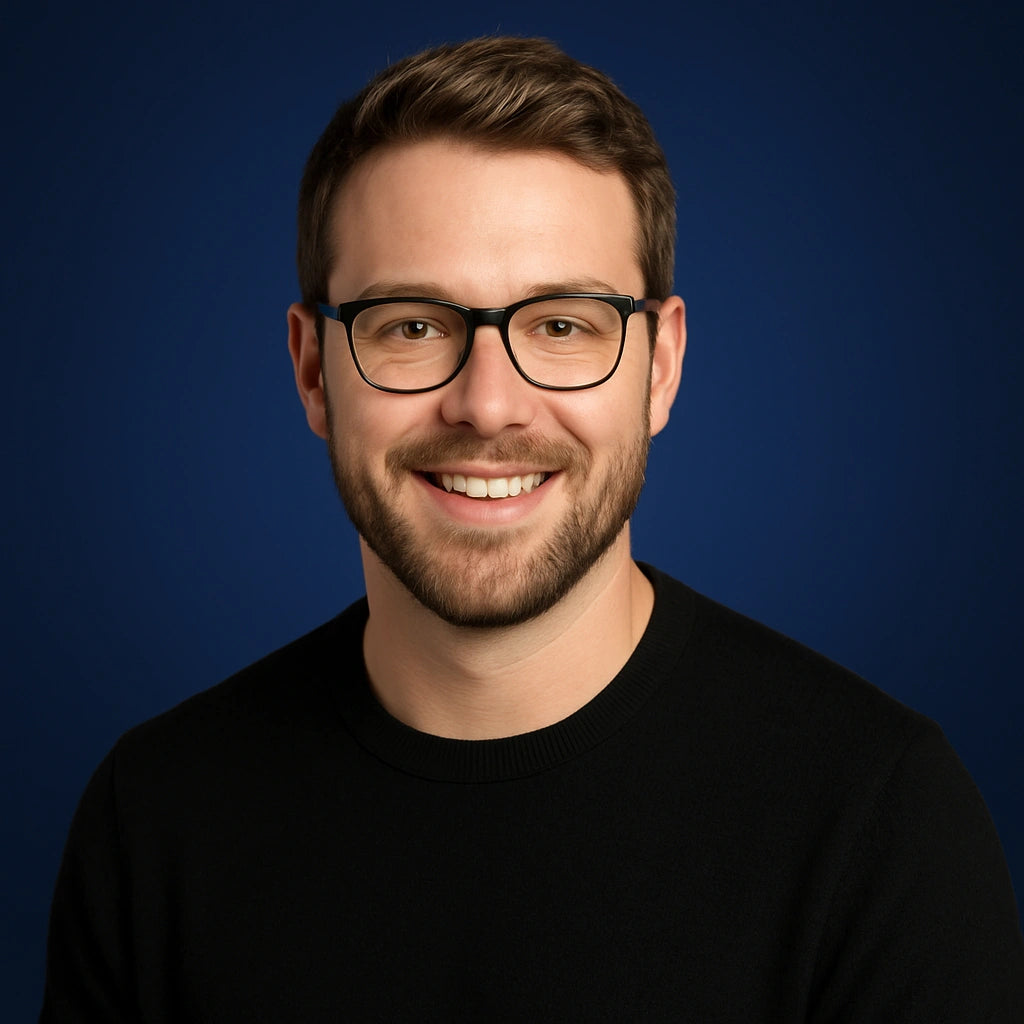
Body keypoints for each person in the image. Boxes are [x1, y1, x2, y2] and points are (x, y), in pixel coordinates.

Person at [41, 35, 1023, 1022]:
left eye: (562, 325)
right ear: (311, 371)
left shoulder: (878, 820)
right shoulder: (156, 821)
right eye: (412, 324)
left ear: (661, 367)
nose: (488, 404)